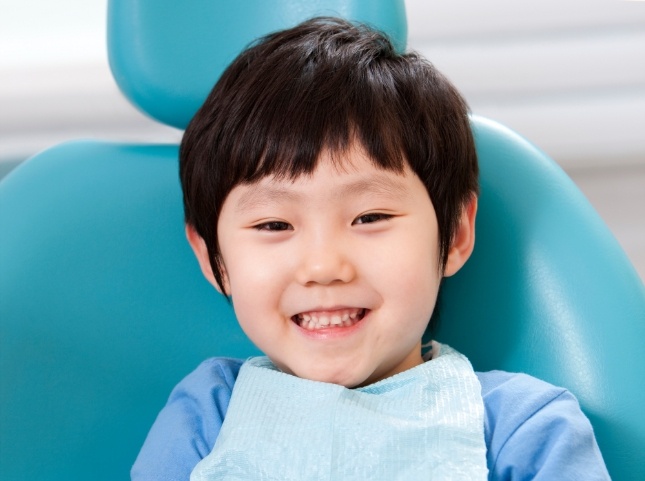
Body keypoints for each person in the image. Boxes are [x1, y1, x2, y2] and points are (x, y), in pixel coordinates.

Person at [132, 17, 609, 480]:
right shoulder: (206, 417)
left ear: (456, 233)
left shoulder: (523, 429)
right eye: (274, 223)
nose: (323, 266)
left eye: (370, 217)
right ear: (212, 257)